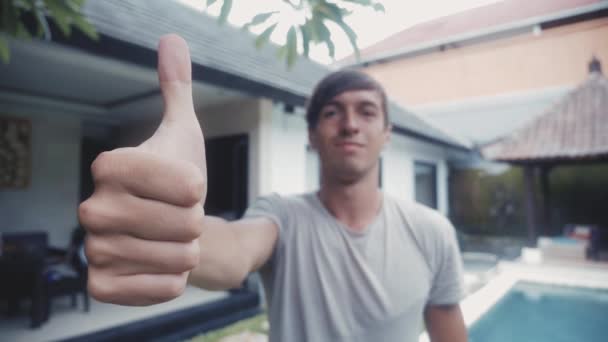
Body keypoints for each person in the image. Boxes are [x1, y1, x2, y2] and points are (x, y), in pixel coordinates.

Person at [79, 34, 467, 342]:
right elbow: (234, 251)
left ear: (387, 135)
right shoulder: (282, 217)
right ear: (312, 136)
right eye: (333, 113)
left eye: (367, 112)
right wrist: (169, 225)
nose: (350, 124)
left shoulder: (432, 232)